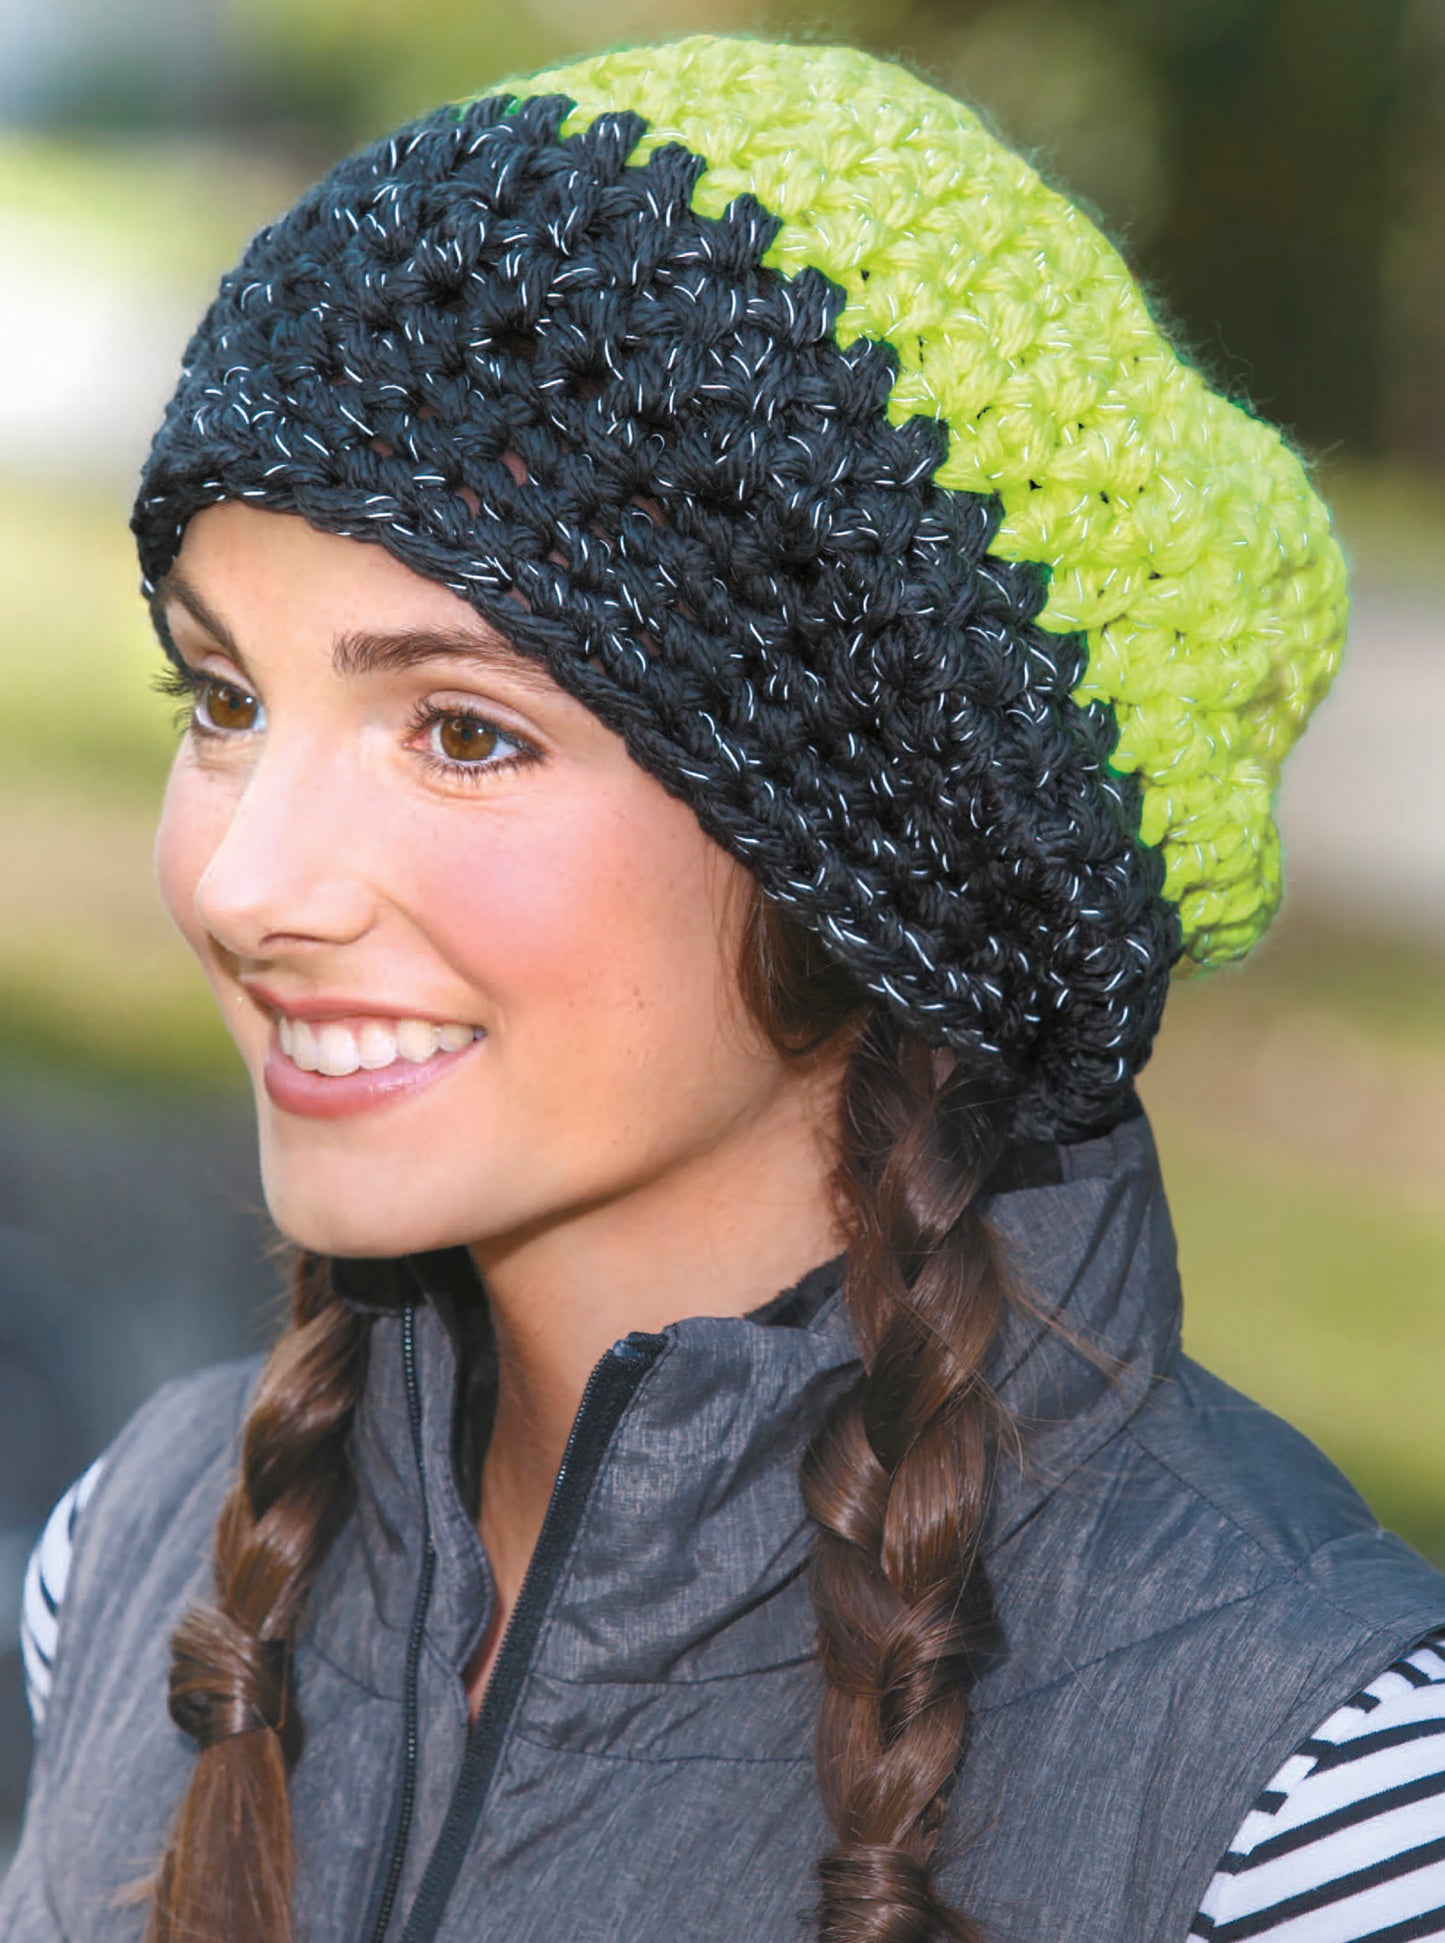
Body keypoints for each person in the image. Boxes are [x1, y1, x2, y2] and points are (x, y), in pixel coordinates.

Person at [4, 33, 1443, 1943]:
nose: (243, 881)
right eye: (224, 698)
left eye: (460, 732)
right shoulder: (128, 1562)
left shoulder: (1314, 1797)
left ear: (876, 853)